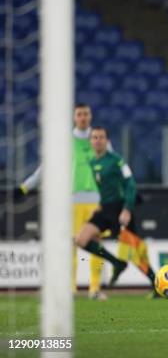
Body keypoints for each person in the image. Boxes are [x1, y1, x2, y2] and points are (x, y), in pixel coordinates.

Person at [15, 104, 110, 299]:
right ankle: (70, 289)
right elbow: (46, 167)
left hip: (97, 201)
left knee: (97, 244)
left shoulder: (101, 140)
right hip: (73, 200)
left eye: (86, 114)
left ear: (90, 116)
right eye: (79, 114)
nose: (83, 117)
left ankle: (95, 289)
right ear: (75, 117)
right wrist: (25, 187)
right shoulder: (65, 141)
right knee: (72, 245)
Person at [74, 127, 157, 297]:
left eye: (101, 137)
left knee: (133, 252)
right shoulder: (92, 162)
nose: (98, 140)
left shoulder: (116, 161)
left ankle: (157, 283)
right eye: (94, 137)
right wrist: (99, 204)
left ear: (107, 141)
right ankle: (117, 263)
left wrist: (127, 209)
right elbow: (105, 188)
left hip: (120, 210)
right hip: (105, 209)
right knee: (81, 239)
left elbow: (130, 185)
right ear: (90, 141)